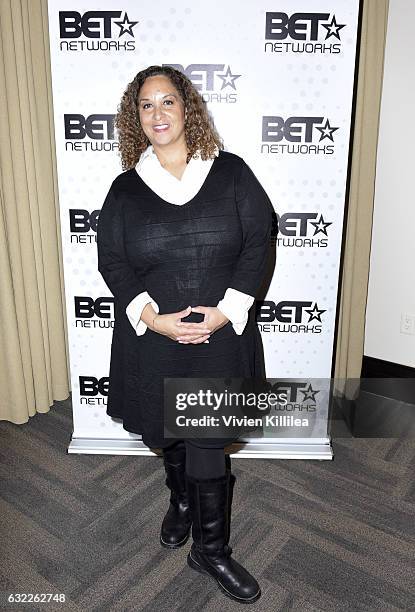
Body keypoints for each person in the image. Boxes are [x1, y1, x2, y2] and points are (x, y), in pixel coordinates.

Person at [97, 65, 273, 604]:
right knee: (167, 435)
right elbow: (113, 261)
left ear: (187, 107)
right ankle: (179, 502)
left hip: (220, 336)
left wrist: (226, 311)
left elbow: (259, 241)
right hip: (152, 339)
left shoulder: (232, 172)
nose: (158, 114)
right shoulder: (125, 189)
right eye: (146, 105)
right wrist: (150, 317)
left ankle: (211, 551)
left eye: (167, 101)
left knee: (208, 444)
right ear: (137, 118)